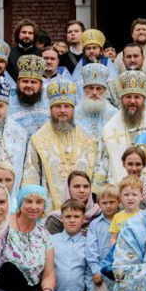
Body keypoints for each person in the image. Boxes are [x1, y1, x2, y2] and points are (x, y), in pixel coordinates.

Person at [0, 185, 62, 291]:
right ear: (20, 203)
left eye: (39, 202)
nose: (34, 206)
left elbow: (49, 273)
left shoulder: (44, 234)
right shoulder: (4, 226)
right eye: (29, 201)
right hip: (7, 285)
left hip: (33, 288)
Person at [22, 78, 98, 210]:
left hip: (85, 211)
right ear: (50, 109)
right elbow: (31, 176)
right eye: (58, 106)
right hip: (49, 211)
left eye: (67, 106)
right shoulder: (38, 139)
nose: (62, 110)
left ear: (73, 109)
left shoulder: (88, 141)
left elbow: (96, 174)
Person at [101, 70, 146, 182]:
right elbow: (103, 163)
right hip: (117, 190)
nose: (132, 101)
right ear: (121, 99)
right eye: (128, 97)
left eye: (137, 97)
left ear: (144, 100)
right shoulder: (109, 129)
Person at [52, 199, 99, 291]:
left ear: (83, 219)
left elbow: (89, 278)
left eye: (76, 217)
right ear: (61, 218)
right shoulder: (51, 241)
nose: (72, 220)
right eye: (68, 216)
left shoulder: (88, 244)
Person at [86, 184, 119, 291]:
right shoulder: (95, 224)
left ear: (118, 201)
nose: (108, 206)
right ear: (98, 203)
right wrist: (95, 270)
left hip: (120, 270)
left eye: (112, 202)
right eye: (104, 203)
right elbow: (91, 249)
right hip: (101, 271)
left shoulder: (123, 220)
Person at [44, 170, 102, 235]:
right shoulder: (56, 219)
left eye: (86, 186)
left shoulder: (99, 214)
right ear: (68, 189)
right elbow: (50, 244)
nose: (82, 190)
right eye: (77, 186)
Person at [7, 54, 50, 134]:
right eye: (25, 81)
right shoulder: (6, 105)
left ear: (40, 85)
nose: (29, 85)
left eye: (33, 82)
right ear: (18, 82)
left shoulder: (49, 103)